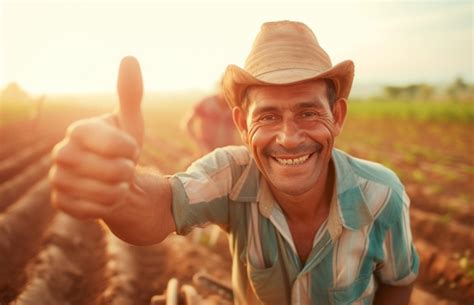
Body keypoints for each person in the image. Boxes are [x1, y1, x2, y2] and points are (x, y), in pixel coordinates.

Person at [49, 21, 419, 305]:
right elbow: (159, 207)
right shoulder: (230, 175)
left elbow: (398, 283)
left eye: (308, 113)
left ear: (337, 116)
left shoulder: (382, 195)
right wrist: (120, 189)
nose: (289, 138)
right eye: (269, 117)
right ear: (241, 124)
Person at [181, 86, 238, 155]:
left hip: (227, 152)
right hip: (206, 151)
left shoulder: (235, 105)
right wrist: (199, 144)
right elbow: (187, 124)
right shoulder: (206, 103)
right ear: (220, 87)